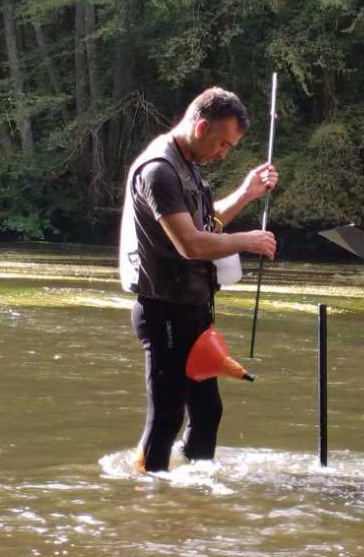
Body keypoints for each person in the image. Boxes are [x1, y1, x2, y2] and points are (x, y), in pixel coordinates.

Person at [118, 87, 278, 472]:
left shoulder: (187, 166)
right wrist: (248, 241)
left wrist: (246, 193)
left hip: (193, 312)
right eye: (222, 143)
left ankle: (195, 490)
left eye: (230, 147)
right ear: (201, 126)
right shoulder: (158, 169)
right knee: (167, 417)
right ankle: (150, 493)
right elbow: (190, 243)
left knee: (208, 411)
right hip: (164, 312)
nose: (223, 153)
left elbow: (208, 223)